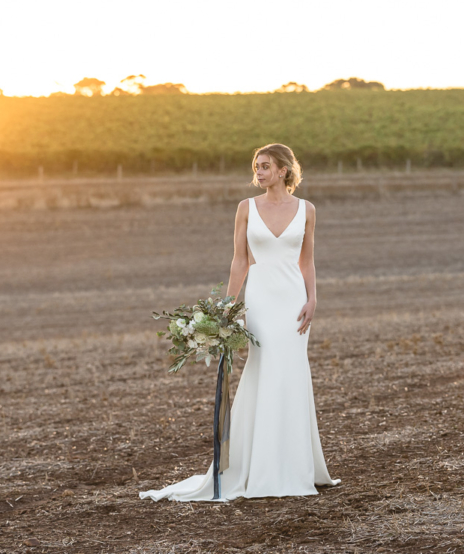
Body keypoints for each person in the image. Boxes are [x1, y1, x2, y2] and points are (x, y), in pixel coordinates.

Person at [139, 143, 340, 501]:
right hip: (260, 301)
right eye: (256, 167)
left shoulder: (307, 210)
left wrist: (313, 298)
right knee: (264, 371)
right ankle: (258, 467)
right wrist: (228, 307)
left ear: (283, 170)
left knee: (291, 373)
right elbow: (239, 261)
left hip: (294, 301)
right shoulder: (246, 208)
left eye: (265, 166)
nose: (258, 172)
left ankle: (295, 467)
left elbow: (307, 261)